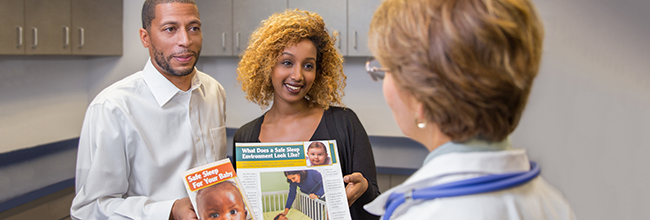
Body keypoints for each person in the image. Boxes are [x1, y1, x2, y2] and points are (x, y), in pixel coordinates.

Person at [362, 0, 577, 219]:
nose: (383, 83)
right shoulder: (554, 205)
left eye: (385, 70)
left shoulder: (425, 213)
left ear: (422, 99)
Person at [70, 0, 227, 219]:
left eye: (193, 28)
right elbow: (90, 208)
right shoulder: (113, 108)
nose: (185, 40)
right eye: (170, 29)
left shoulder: (214, 92)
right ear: (146, 38)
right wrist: (169, 211)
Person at [233, 9, 380, 219]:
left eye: (308, 65)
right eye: (287, 62)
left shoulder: (344, 123)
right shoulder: (245, 137)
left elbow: (376, 207)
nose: (298, 75)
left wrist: (364, 189)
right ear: (267, 66)